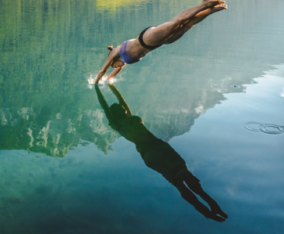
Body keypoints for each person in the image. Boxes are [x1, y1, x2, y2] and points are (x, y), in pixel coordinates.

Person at [96, 84, 228, 222]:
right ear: (117, 112)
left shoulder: (125, 121)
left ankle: (212, 206)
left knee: (184, 177)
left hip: (156, 150)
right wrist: (98, 87)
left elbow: (120, 100)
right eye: (120, 107)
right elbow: (105, 106)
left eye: (122, 107)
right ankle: (207, 210)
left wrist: (110, 84)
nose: (123, 107)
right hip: (155, 151)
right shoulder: (119, 124)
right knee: (181, 180)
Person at [93, 0, 227, 84]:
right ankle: (211, 10)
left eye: (115, 66)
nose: (117, 67)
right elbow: (111, 74)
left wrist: (95, 82)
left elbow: (102, 70)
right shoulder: (124, 62)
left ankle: (204, 4)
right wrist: (108, 79)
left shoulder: (116, 52)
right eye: (116, 68)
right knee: (186, 26)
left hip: (147, 38)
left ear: (114, 61)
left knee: (177, 22)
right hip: (157, 44)